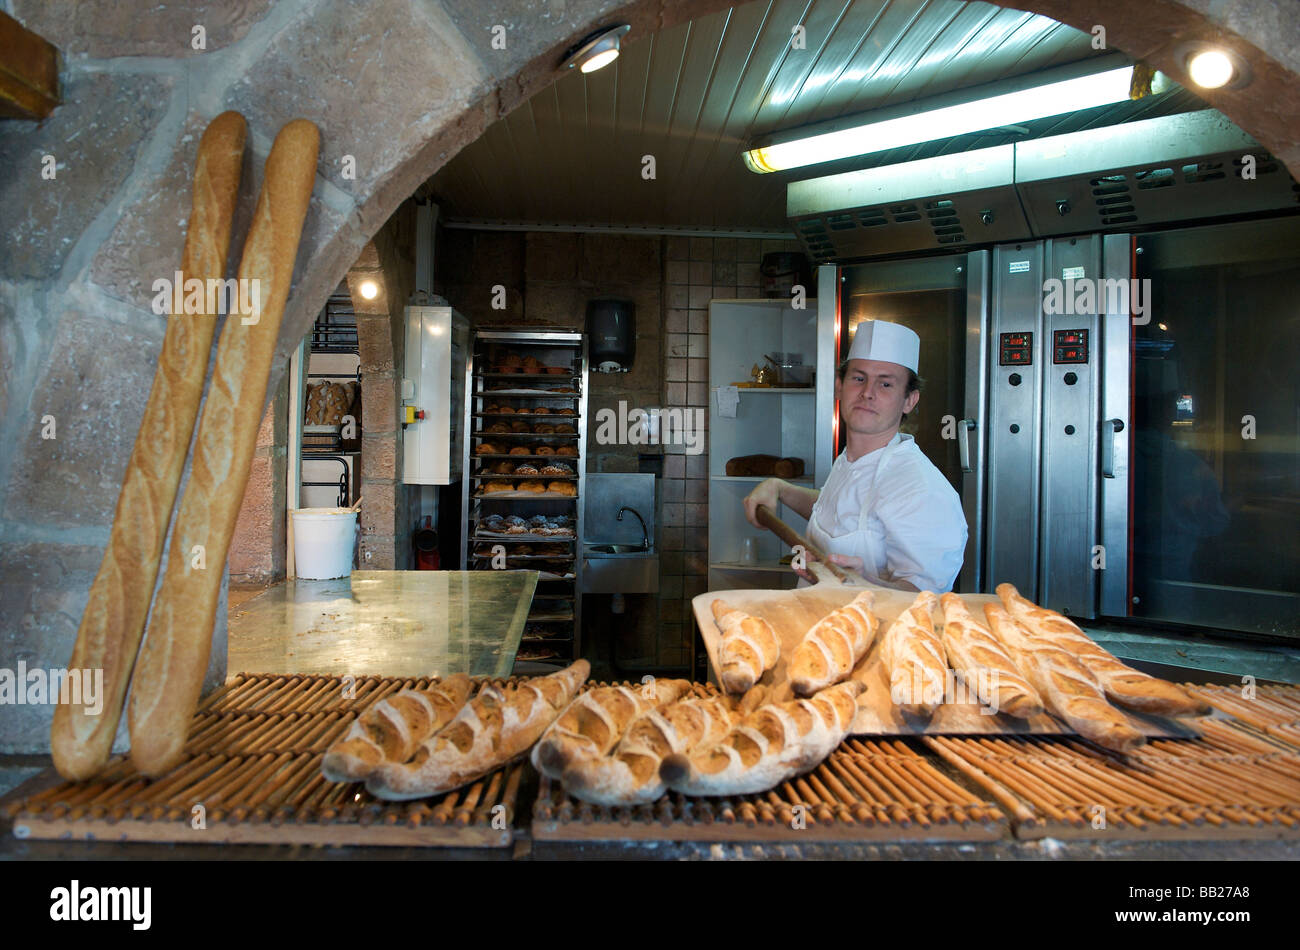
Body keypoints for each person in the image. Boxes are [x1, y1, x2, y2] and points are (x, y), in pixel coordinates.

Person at [743, 320, 967, 592]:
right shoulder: (851, 460)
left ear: (910, 400)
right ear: (839, 386)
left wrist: (868, 586)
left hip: (876, 633)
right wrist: (779, 488)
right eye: (859, 378)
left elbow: (925, 599)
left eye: (885, 384)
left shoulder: (922, 488)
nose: (867, 393)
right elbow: (839, 512)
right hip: (824, 625)